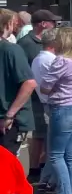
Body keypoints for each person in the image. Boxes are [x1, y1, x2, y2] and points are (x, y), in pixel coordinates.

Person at [36, 27, 72, 194]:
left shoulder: (61, 61)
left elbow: (45, 87)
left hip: (62, 109)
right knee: (70, 155)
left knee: (56, 155)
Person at [18, 10, 58, 184]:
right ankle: (34, 170)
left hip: (44, 96)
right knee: (39, 134)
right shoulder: (25, 43)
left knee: (45, 134)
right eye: (52, 22)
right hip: (34, 97)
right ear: (43, 23)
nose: (55, 24)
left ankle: (41, 168)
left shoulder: (43, 42)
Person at [0, 10, 37, 157]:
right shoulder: (11, 50)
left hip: (9, 119)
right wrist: (9, 116)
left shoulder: (10, 49)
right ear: (7, 24)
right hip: (9, 119)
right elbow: (30, 83)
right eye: (13, 23)